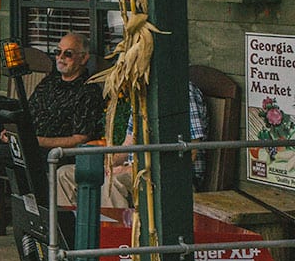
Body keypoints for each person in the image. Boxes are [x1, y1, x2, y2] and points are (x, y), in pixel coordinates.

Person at [0, 32, 105, 252]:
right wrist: (11, 132)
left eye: (68, 54)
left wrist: (36, 140)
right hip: (24, 143)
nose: (60, 57)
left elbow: (80, 139)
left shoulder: (87, 92)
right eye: (57, 52)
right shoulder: (50, 82)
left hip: (46, 154)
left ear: (84, 58)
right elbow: (28, 114)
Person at [57, 81, 208, 208]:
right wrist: (110, 164)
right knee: (65, 174)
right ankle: (70, 235)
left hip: (168, 176)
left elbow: (189, 155)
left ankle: (112, 238)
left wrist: (130, 168)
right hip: (134, 169)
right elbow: (129, 142)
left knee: (113, 183)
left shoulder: (181, 91)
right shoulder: (143, 91)